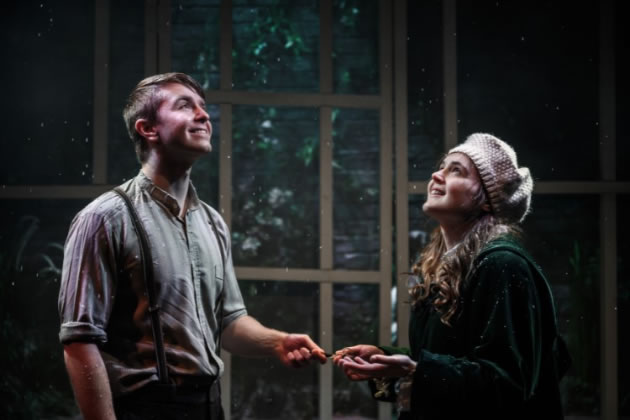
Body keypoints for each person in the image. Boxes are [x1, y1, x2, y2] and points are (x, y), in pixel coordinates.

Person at [58, 72, 327, 420]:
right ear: (148, 129)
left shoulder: (212, 223)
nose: (203, 115)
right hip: (143, 410)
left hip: (209, 408)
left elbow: (229, 322)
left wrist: (277, 342)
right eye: (185, 106)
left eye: (203, 106)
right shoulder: (104, 219)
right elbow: (80, 342)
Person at [333, 133, 570, 419]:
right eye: (441, 167)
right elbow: (455, 354)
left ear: (487, 200)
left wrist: (416, 370)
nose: (436, 175)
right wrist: (386, 357)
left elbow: (507, 384)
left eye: (456, 170)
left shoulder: (502, 266)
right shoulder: (444, 265)